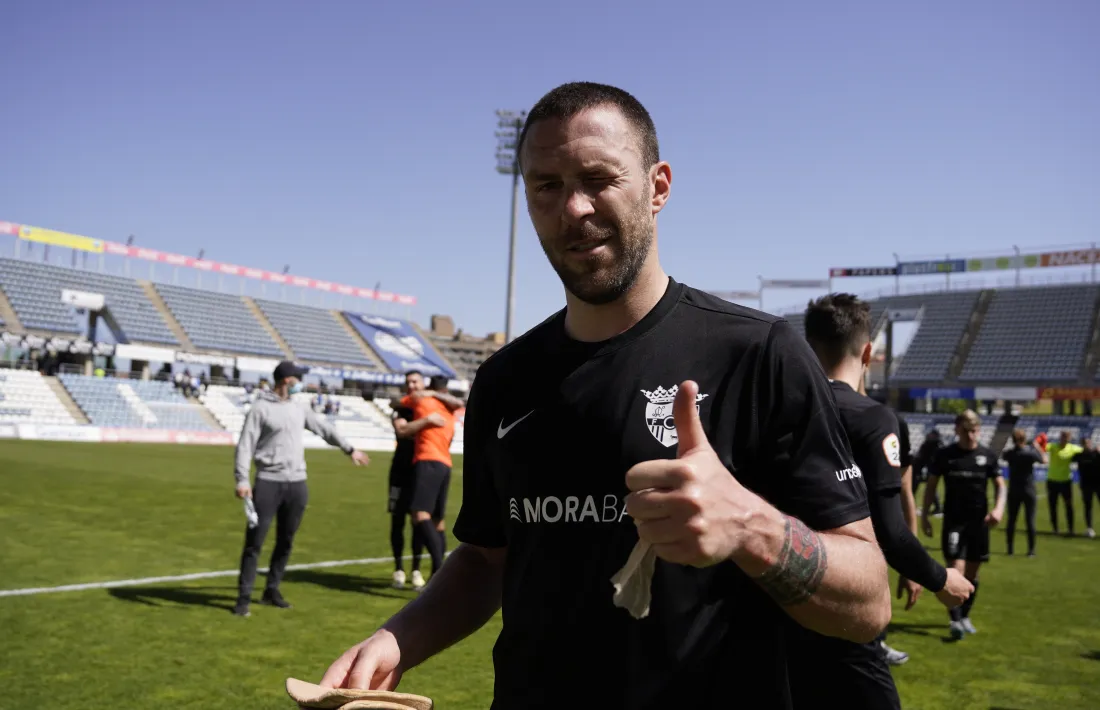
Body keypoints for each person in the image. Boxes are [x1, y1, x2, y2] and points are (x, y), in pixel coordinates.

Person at [318, 81, 890, 709]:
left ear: (658, 187)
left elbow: (868, 603)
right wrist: (396, 639)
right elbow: (487, 560)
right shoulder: (505, 379)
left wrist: (754, 529)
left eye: (598, 178)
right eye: (547, 186)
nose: (574, 209)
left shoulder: (759, 353)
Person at [792, 294, 973, 706]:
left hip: (777, 596)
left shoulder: (782, 410)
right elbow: (888, 528)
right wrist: (940, 579)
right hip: (844, 601)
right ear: (868, 351)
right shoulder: (874, 418)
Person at [233, 361, 370, 617]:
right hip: (268, 482)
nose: (301, 384)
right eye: (298, 379)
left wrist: (349, 449)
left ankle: (271, 589)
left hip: (297, 484)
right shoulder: (260, 409)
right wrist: (242, 479)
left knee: (286, 540)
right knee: (255, 542)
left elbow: (324, 429)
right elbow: (245, 446)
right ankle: (243, 597)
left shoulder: (299, 408)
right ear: (287, 380)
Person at [921, 410, 1006, 640]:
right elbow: (931, 486)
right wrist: (925, 515)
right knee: (955, 570)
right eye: (967, 430)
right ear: (957, 430)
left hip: (979, 524)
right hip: (954, 522)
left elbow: (1000, 485)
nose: (971, 435)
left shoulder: (987, 456)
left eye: (975, 430)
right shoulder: (945, 455)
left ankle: (964, 616)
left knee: (972, 573)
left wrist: (998, 509)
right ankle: (955, 620)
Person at [402, 375, 459, 585]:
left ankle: (440, 571)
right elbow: (461, 402)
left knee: (419, 514)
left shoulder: (422, 400)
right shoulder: (450, 408)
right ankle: (439, 574)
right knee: (438, 521)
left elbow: (399, 402)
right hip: (445, 463)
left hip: (427, 460)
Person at [1002, 428, 1046, 556]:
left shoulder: (1010, 453)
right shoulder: (1030, 453)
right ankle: (1031, 551)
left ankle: (1010, 549)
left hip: (1014, 489)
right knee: (1030, 521)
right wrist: (1037, 447)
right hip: (1028, 489)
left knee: (1011, 520)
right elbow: (1044, 460)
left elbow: (1004, 455)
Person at [1046, 431, 1083, 536]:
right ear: (1060, 437)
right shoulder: (1053, 446)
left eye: (1066, 438)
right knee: (1053, 505)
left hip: (1066, 481)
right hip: (1052, 480)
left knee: (1069, 506)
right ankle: (1055, 529)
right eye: (1062, 437)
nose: (1064, 439)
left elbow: (1085, 451)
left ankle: (1071, 529)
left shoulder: (1072, 448)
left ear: (1069, 439)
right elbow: (1043, 447)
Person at [912, 430, 943, 516]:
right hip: (921, 468)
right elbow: (920, 458)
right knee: (917, 487)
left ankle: (937, 507)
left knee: (929, 488)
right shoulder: (929, 445)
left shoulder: (934, 445)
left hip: (925, 469)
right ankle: (911, 506)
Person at [1073, 438, 1100, 538]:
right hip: (1085, 485)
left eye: (1087, 443)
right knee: (1088, 507)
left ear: (1090, 443)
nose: (1086, 445)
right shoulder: (1079, 455)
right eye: (1084, 443)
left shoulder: (1096, 454)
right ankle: (1089, 528)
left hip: (1098, 484)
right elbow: (1071, 458)